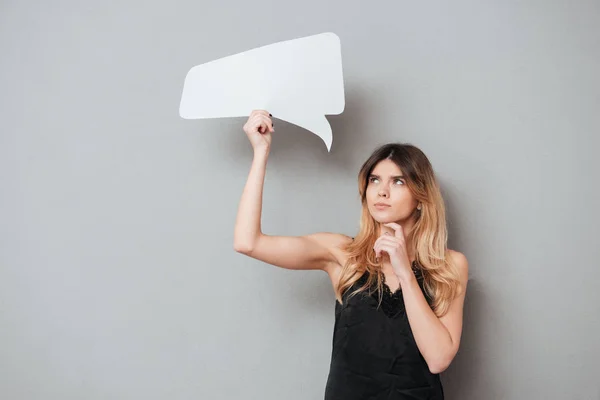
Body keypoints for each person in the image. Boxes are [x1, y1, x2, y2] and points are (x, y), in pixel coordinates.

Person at [234, 110, 469, 400]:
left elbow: (438, 359)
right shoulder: (343, 254)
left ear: (421, 197)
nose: (382, 191)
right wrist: (261, 152)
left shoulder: (449, 265)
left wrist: (406, 273)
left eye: (398, 182)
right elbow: (248, 242)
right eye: (374, 180)